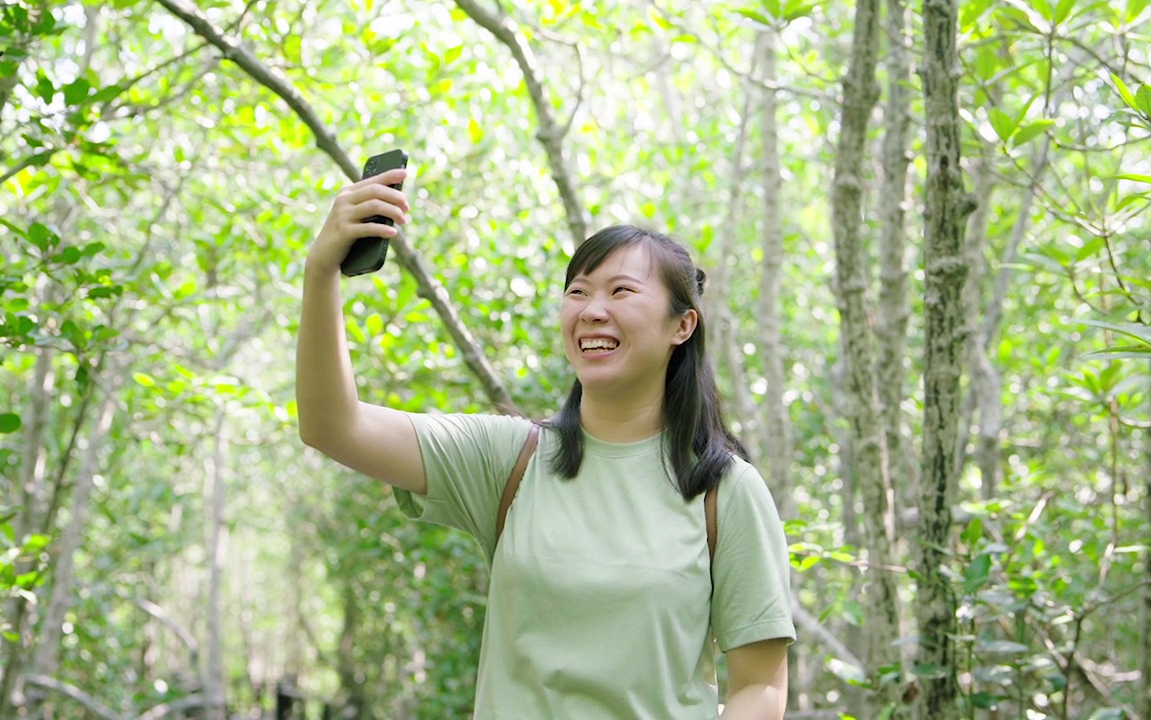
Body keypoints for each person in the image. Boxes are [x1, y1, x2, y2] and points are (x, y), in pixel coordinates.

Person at [296, 166, 795, 719]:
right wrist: (321, 272)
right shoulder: (511, 459)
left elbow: (760, 687)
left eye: (621, 291)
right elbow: (332, 425)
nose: (591, 310)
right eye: (577, 292)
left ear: (683, 326)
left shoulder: (724, 491)